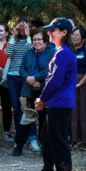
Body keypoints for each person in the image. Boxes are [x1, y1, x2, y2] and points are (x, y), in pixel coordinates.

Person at [30, 18, 77, 171]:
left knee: (58, 140)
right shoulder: (61, 52)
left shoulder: (64, 54)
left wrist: (42, 98)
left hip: (59, 102)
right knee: (48, 138)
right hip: (55, 102)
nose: (49, 33)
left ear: (64, 33)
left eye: (53, 30)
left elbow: (55, 81)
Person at [14, 28, 54, 156]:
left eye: (39, 39)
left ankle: (45, 147)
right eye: (34, 39)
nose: (36, 42)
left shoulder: (52, 53)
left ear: (45, 41)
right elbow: (21, 69)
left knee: (44, 120)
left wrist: (35, 78)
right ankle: (18, 146)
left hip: (44, 90)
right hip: (28, 89)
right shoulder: (28, 53)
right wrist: (28, 79)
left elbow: (50, 71)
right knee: (25, 118)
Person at [6, 17, 40, 152]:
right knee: (17, 108)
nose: (21, 29)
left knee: (28, 107)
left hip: (26, 78)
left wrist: (27, 35)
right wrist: (13, 37)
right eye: (19, 26)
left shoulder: (32, 41)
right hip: (13, 77)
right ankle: (19, 139)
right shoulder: (14, 41)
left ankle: (32, 138)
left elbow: (34, 52)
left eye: (24, 26)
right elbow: (8, 54)